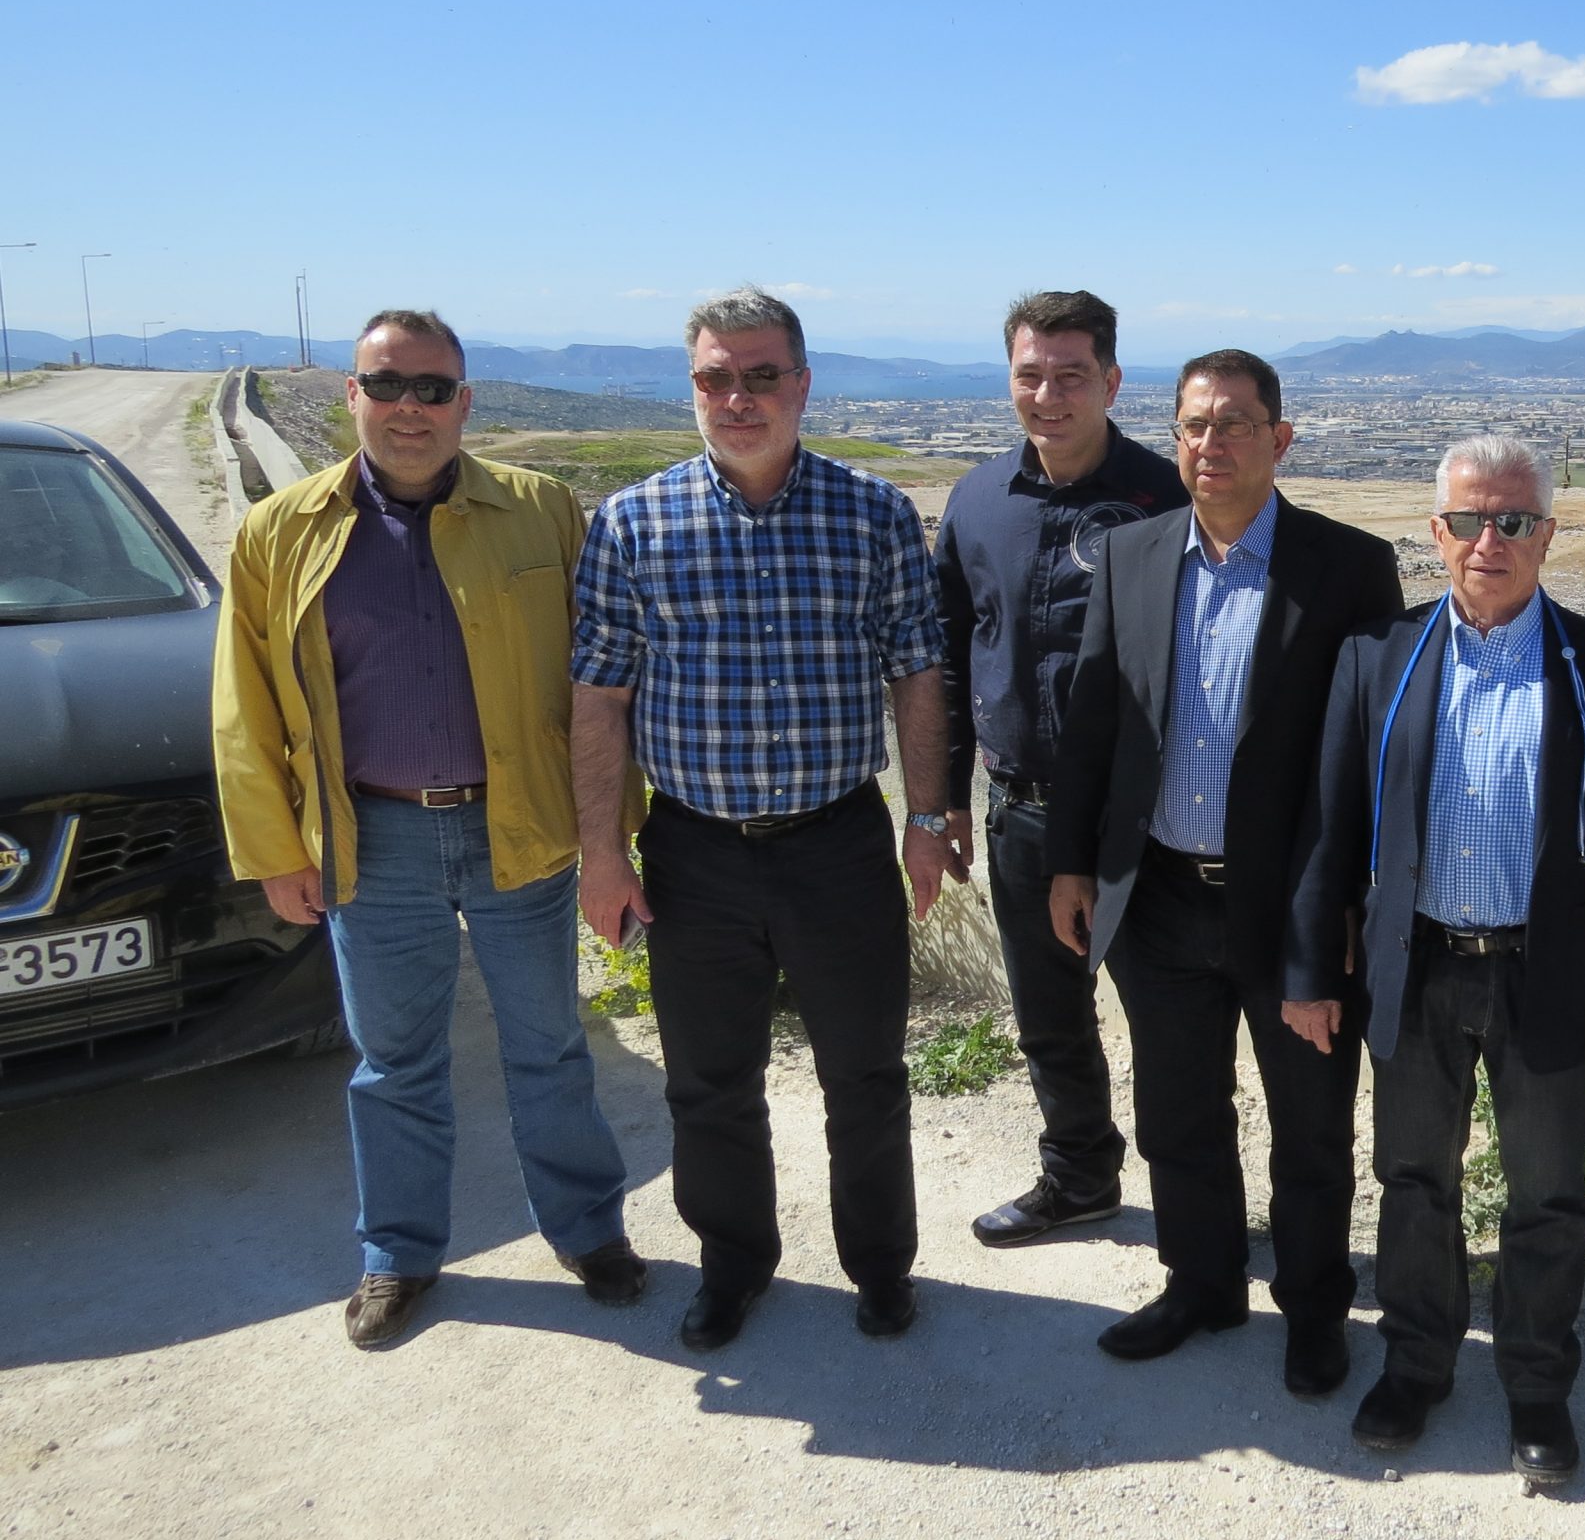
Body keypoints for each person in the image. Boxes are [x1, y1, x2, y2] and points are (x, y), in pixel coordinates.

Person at [213, 308, 639, 1349]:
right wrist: (275, 852)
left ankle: (588, 1230)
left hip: (520, 828)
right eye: (387, 385)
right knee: (393, 1062)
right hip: (373, 839)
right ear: (351, 395)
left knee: (550, 1047)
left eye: (433, 389)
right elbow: (244, 705)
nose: (411, 408)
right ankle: (397, 1255)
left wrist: (611, 839)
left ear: (465, 402)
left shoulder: (541, 509)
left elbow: (602, 686)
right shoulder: (280, 531)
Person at [570, 286, 961, 1352]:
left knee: (866, 1075)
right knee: (708, 1085)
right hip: (692, 852)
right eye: (715, 377)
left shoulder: (874, 513)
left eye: (761, 375)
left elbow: (917, 672)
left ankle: (881, 1267)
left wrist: (926, 818)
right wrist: (602, 852)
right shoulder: (632, 523)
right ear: (691, 386)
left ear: (802, 384)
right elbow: (598, 697)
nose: (737, 397)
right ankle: (734, 1266)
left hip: (838, 843)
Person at [1286, 435, 1585, 1483]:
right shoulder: (1377, 657)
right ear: (1436, 532)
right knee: (1414, 1179)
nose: (1488, 541)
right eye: (1468, 520)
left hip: (1547, 974)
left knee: (1547, 1192)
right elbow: (1330, 830)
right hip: (1413, 969)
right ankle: (1416, 1365)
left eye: (1513, 521)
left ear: (1547, 533)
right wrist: (1310, 974)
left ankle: (1537, 1384)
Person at [1045, 349, 1401, 1394]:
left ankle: (1313, 1306)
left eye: (1236, 424)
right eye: (1195, 425)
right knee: (1178, 1113)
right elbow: (1095, 720)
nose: (1212, 444)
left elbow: (1371, 756)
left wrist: (1347, 907)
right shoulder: (1134, 554)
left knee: (1310, 1124)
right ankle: (1200, 1283)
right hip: (1156, 894)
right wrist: (1072, 863)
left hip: (1289, 907)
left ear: (1279, 440)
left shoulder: (1346, 566)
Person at [934, 289, 1182, 1247]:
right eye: (1030, 375)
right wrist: (942, 799)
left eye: (1071, 375)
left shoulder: (1170, 498)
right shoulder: (976, 500)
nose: (1048, 395)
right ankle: (1079, 1178)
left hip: (1147, 819)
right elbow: (951, 656)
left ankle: (1196, 1208)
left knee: (1169, 1025)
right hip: (1023, 809)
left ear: (1111, 382)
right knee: (1049, 1016)